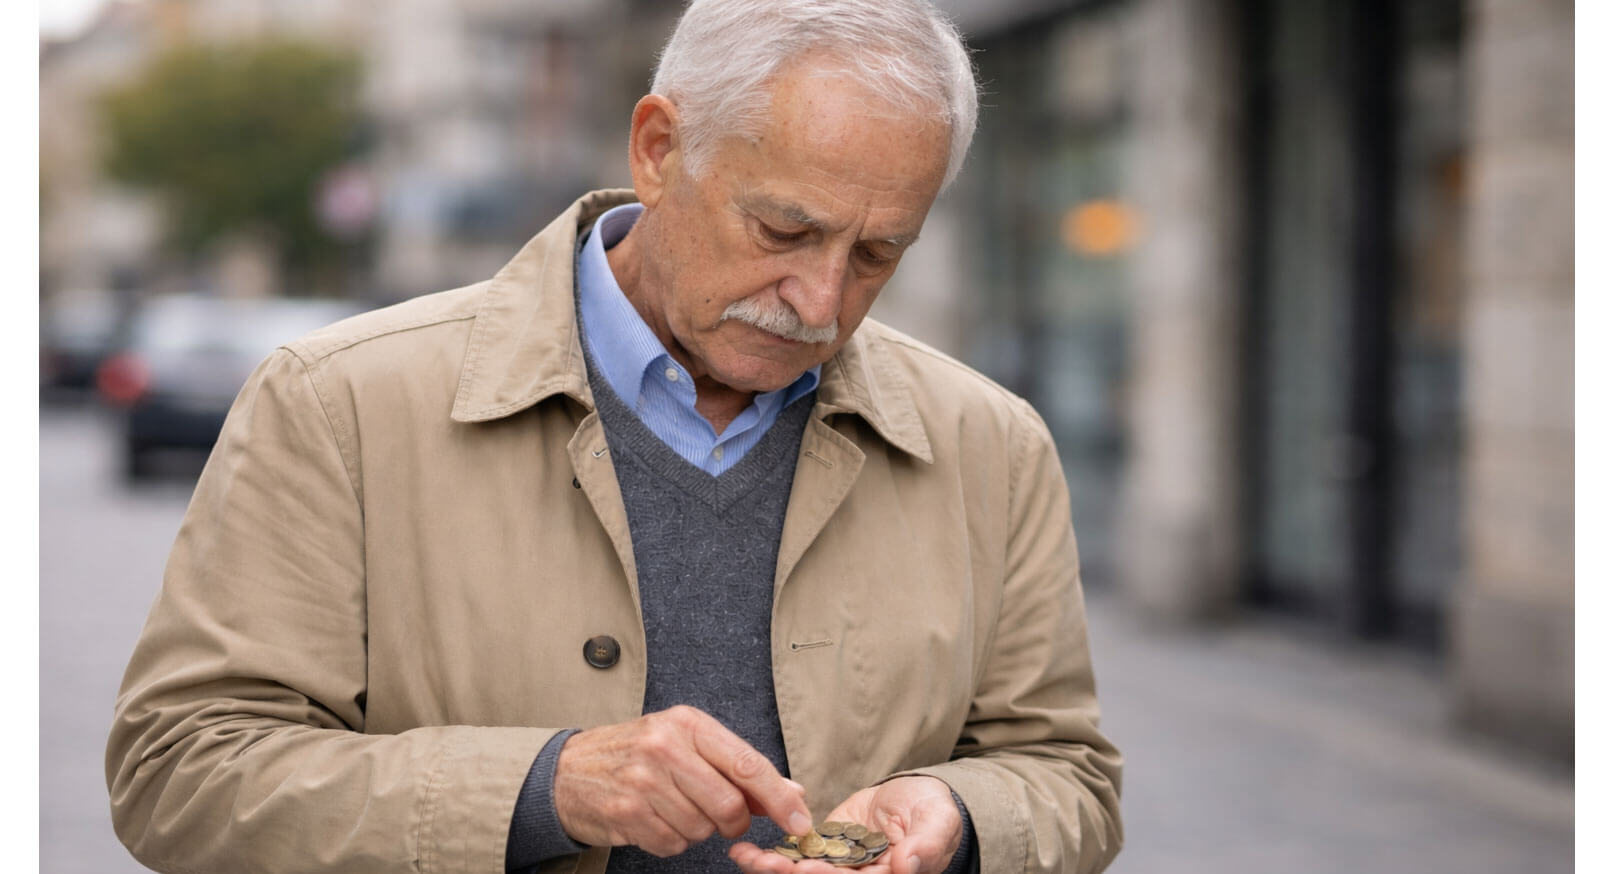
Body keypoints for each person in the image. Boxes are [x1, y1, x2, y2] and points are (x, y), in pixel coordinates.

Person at [105, 1, 1124, 872]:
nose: (820, 299)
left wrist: (958, 815)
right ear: (658, 149)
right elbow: (179, 770)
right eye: (784, 230)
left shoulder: (994, 446)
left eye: (877, 254)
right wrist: (544, 787)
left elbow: (1068, 774)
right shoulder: (338, 404)